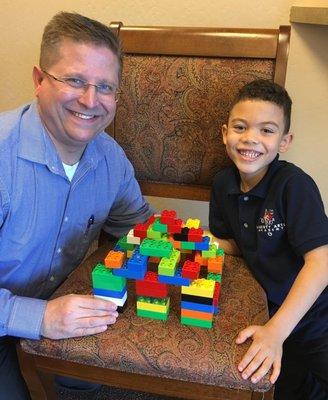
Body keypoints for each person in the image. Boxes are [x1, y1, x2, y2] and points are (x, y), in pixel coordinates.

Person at [0, 11, 153, 400]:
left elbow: (138, 228)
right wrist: (41, 317)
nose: (90, 100)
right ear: (39, 81)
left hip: (64, 319)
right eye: (74, 80)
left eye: (105, 87)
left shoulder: (111, 160)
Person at [209, 79, 328, 399]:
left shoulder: (294, 185)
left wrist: (277, 331)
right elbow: (237, 244)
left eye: (267, 130)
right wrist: (190, 238)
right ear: (225, 133)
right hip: (271, 314)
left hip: (318, 318)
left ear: (285, 141)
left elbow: (321, 262)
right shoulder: (222, 184)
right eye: (240, 127)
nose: (250, 139)